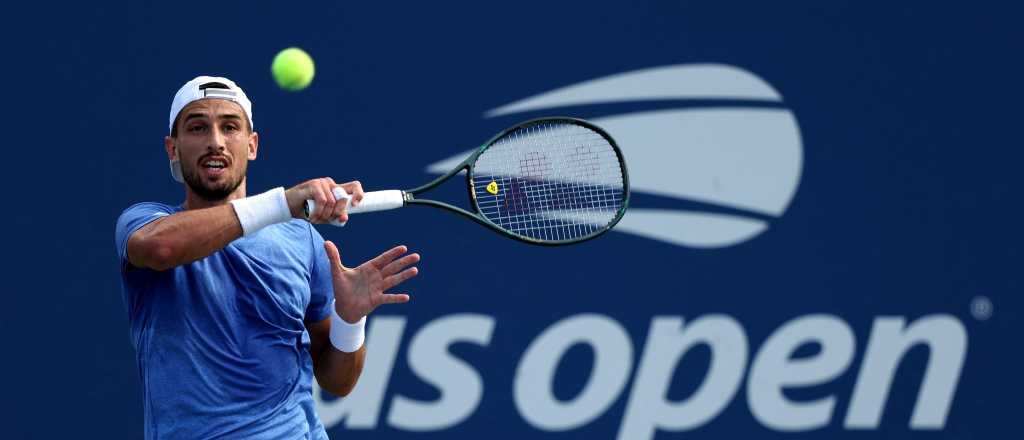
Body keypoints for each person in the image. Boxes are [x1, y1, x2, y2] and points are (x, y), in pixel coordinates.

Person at [114, 76, 419, 439]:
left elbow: (338, 382)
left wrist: (349, 320)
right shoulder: (146, 222)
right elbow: (161, 249)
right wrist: (283, 202)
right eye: (198, 128)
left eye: (230, 127)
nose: (215, 142)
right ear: (173, 149)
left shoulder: (302, 239)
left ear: (252, 145)